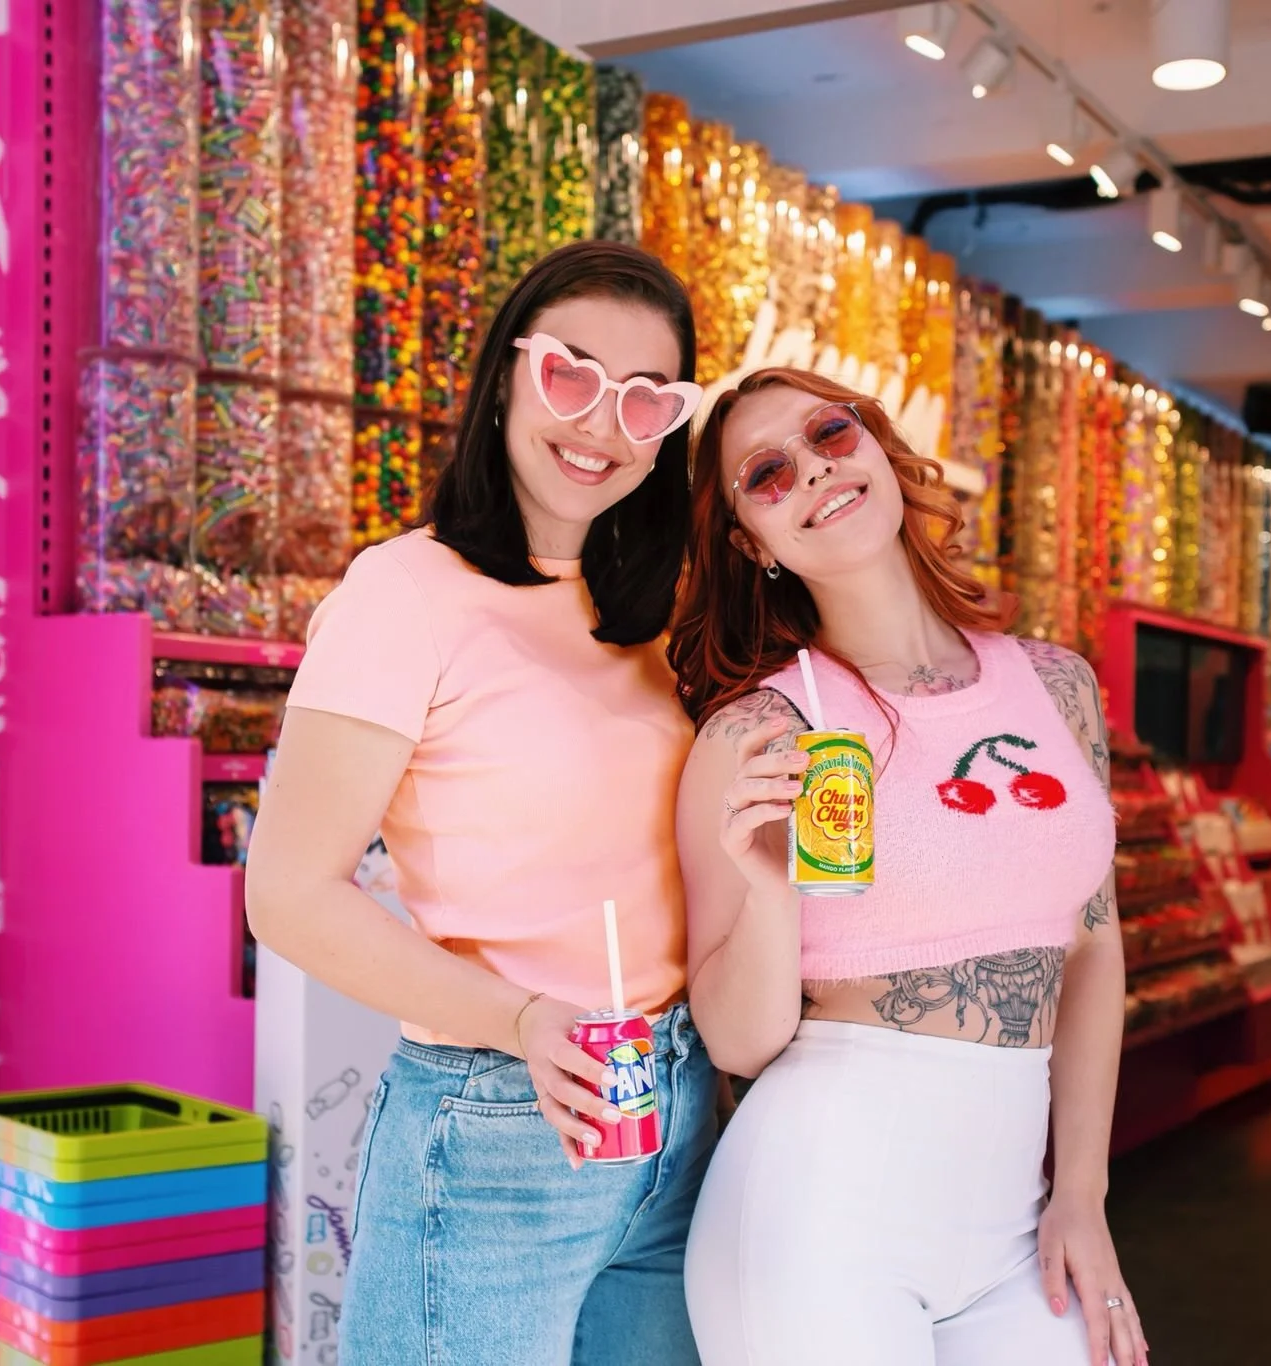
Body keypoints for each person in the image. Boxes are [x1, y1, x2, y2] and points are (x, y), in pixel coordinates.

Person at [245, 241, 717, 1365]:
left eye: (646, 397)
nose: (602, 423)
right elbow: (288, 892)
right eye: (571, 374)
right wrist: (515, 1022)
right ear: (506, 374)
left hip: (672, 1103)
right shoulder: (401, 592)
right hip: (504, 1113)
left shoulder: (652, 610)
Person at [668, 369, 1147, 1366]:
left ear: (879, 450)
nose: (814, 470)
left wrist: (1083, 1195)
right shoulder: (757, 730)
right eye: (767, 472)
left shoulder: (1055, 683)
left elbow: (1093, 946)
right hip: (817, 1213)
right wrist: (765, 885)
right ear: (751, 542)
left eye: (829, 433)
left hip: (1016, 1219)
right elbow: (737, 1042)